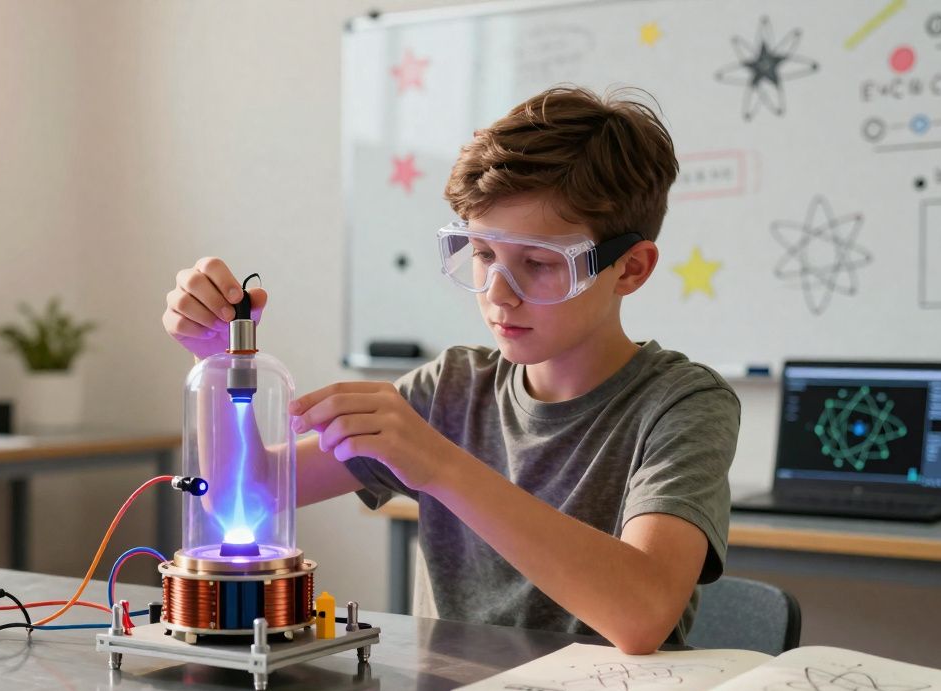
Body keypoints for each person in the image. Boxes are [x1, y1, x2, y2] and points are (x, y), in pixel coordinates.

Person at [161, 86, 739, 654]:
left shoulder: (682, 404)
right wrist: (214, 362)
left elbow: (642, 617)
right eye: (483, 255)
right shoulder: (452, 387)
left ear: (630, 268)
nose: (497, 295)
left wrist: (439, 466)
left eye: (538, 264)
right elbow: (248, 494)